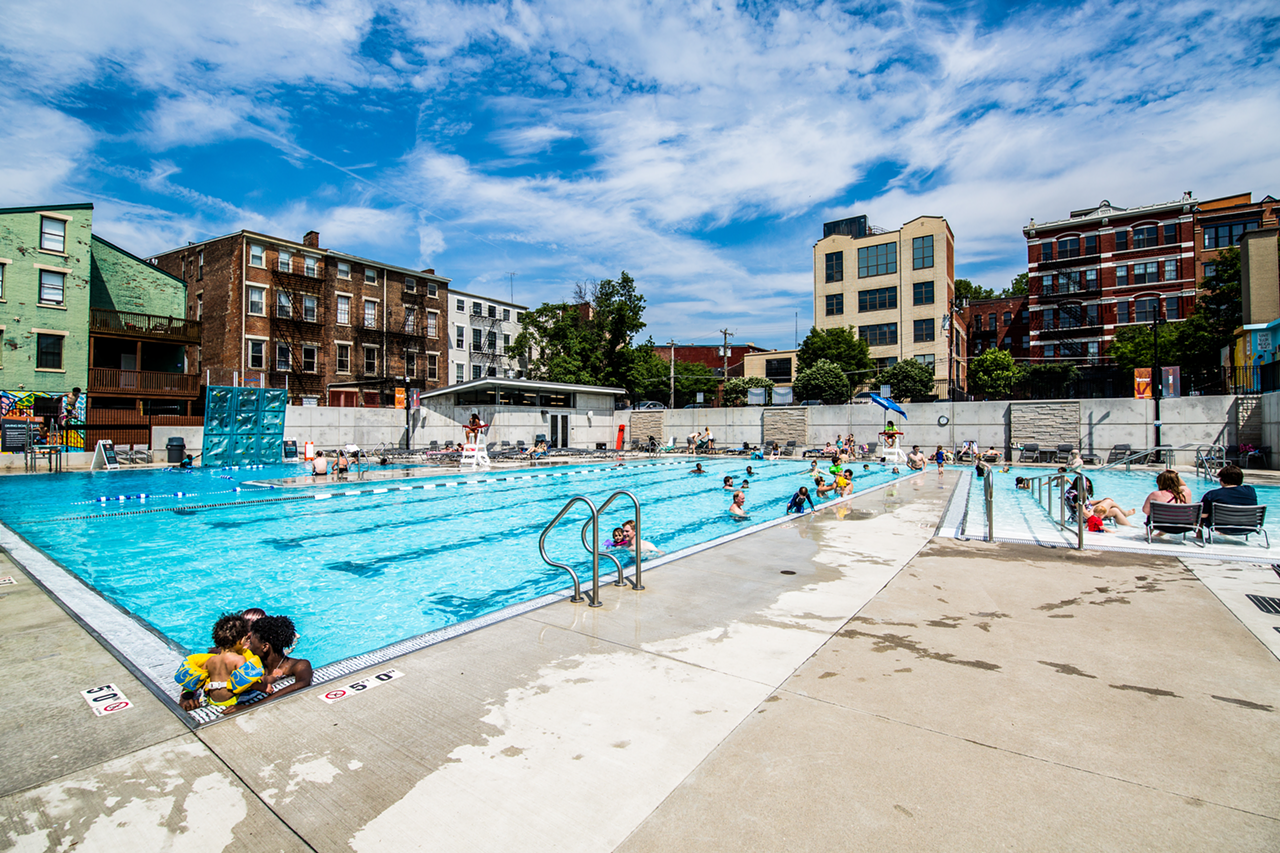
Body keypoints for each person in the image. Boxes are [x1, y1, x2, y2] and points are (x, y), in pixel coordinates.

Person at [224, 615, 312, 715]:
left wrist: (251, 706)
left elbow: (303, 683)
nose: (247, 647)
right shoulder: (249, 664)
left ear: (265, 647)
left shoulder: (298, 665)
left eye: (251, 643)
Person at [176, 613, 263, 711]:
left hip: (212, 700)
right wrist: (264, 688)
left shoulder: (211, 660)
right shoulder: (240, 658)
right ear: (241, 640)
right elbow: (246, 680)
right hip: (232, 700)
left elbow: (196, 678)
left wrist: (189, 692)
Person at [1200, 464, 1259, 533]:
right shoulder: (1251, 491)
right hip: (1249, 527)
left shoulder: (1212, 494)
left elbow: (1203, 515)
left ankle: (1199, 535)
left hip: (1220, 527)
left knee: (1199, 510)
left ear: (1221, 480)